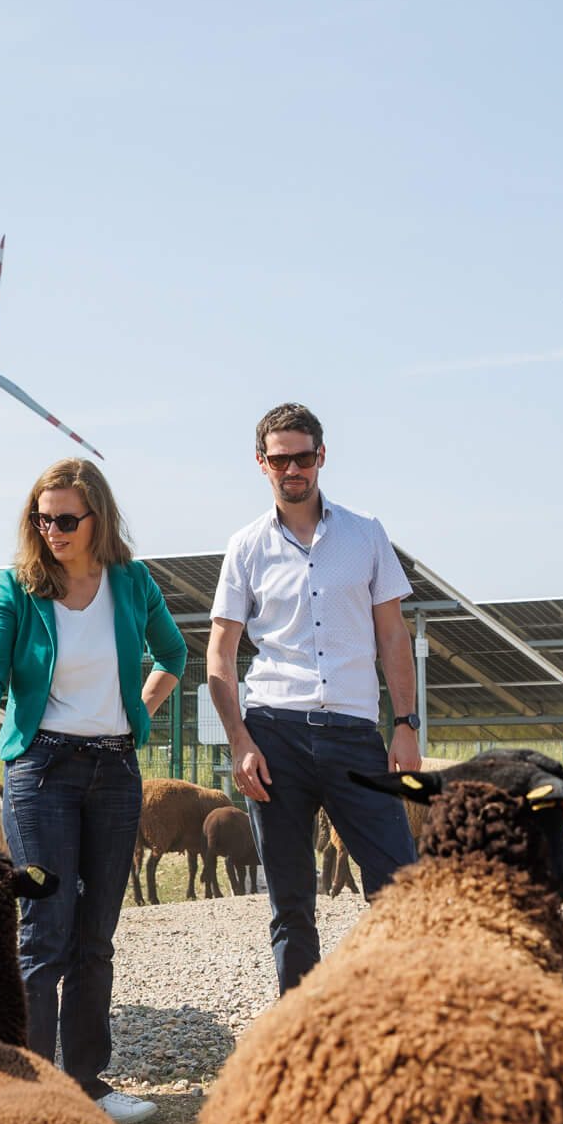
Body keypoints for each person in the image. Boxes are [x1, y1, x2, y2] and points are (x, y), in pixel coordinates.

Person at [0, 459, 185, 1124]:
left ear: (97, 521)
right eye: (41, 517)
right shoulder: (17, 588)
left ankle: (86, 1080)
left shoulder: (133, 583)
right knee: (45, 932)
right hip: (42, 771)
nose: (51, 530)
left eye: (65, 519)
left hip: (115, 773)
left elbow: (174, 655)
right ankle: (29, 1082)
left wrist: (136, 712)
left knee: (97, 934)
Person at [206, 403, 423, 994]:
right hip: (274, 735)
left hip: (354, 733)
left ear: (321, 456)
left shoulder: (366, 534)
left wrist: (405, 723)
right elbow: (219, 654)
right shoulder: (245, 547)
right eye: (280, 459)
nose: (292, 468)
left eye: (303, 456)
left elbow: (392, 635)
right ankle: (304, 1036)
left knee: (399, 886)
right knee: (292, 903)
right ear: (262, 464)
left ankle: (404, 1022)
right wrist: (240, 740)